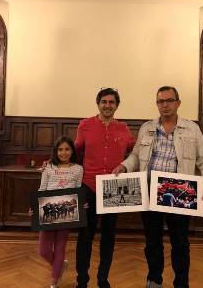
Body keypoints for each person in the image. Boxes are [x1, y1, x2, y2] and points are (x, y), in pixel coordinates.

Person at [113, 86, 203, 288]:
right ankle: (154, 280)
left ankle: (181, 283)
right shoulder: (147, 128)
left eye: (169, 100)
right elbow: (135, 155)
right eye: (161, 101)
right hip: (150, 190)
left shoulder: (191, 128)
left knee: (180, 243)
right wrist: (124, 166)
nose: (165, 105)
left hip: (178, 192)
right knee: (152, 242)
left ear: (178, 102)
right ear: (157, 104)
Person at [75, 88, 135, 288]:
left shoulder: (124, 129)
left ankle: (103, 279)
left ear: (117, 105)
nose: (107, 105)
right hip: (89, 186)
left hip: (114, 188)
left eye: (111, 102)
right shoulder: (85, 125)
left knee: (109, 236)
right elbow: (74, 151)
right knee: (85, 235)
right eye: (104, 102)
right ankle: (82, 280)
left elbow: (135, 153)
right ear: (98, 104)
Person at [38, 136, 83, 288]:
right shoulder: (49, 167)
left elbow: (77, 190)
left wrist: (81, 204)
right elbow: (42, 188)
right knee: (43, 250)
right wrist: (34, 206)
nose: (63, 153)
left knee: (60, 246)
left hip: (67, 211)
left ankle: (54, 280)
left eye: (67, 149)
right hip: (48, 210)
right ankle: (60, 265)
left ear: (72, 151)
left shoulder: (78, 169)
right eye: (60, 150)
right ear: (56, 151)